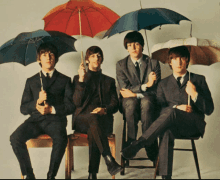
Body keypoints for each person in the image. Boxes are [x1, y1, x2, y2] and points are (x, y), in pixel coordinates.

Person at [121, 46, 214, 179]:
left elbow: (209, 109)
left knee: (171, 112)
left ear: (187, 60)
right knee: (165, 130)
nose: (179, 61)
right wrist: (177, 107)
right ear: (170, 62)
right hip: (173, 125)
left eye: (182, 58)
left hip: (193, 125)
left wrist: (194, 94)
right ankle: (165, 177)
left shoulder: (199, 80)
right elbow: (158, 111)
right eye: (175, 59)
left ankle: (140, 143)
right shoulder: (163, 84)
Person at [10, 43, 75, 179]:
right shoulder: (31, 81)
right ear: (39, 59)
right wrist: (37, 102)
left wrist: (52, 109)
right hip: (35, 121)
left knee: (61, 139)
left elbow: (71, 106)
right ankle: (29, 175)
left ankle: (51, 176)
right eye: (44, 54)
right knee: (15, 138)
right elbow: (23, 108)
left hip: (56, 121)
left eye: (51, 54)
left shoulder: (65, 80)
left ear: (56, 58)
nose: (48, 57)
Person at [72, 46, 122, 179]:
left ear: (102, 59)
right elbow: (76, 103)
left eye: (99, 55)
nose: (96, 58)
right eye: (93, 56)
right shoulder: (78, 78)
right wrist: (82, 80)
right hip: (81, 120)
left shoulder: (109, 81)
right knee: (93, 121)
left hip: (102, 121)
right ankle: (108, 159)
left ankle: (92, 174)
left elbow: (115, 104)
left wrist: (104, 110)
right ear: (86, 60)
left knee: (94, 127)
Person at [116, 31, 161, 162]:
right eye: (129, 45)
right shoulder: (121, 64)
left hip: (149, 102)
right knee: (131, 103)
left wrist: (135, 93)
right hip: (129, 103)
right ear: (126, 47)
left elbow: (157, 92)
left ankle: (148, 142)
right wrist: (146, 85)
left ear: (142, 45)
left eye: (136, 44)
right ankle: (131, 142)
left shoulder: (153, 63)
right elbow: (124, 90)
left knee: (146, 103)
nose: (133, 48)